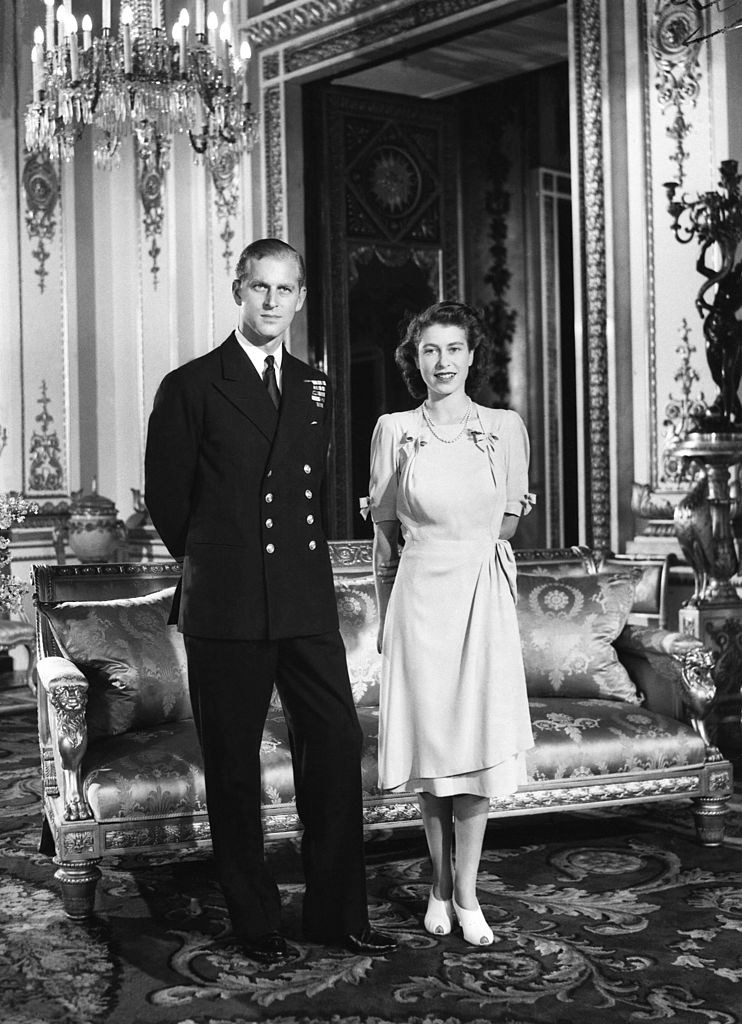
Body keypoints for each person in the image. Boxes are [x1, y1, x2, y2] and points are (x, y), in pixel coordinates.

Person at [144, 238, 395, 964]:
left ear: (300, 300)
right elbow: (169, 501)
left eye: (286, 291)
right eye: (260, 288)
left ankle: (336, 914)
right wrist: (220, 564)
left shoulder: (315, 386)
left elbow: (308, 492)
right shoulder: (192, 384)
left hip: (303, 602)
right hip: (227, 604)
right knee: (232, 763)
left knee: (338, 742)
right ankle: (255, 921)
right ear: (238, 290)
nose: (272, 303)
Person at [367, 300, 535, 946]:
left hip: (480, 597)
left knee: (477, 755)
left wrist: (473, 549)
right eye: (430, 350)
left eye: (454, 349)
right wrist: (387, 624)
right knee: (435, 759)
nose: (442, 362)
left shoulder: (504, 427)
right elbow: (385, 543)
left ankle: (466, 894)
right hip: (418, 603)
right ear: (416, 359)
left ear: (472, 356)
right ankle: (438, 883)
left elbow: (509, 521)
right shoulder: (393, 430)